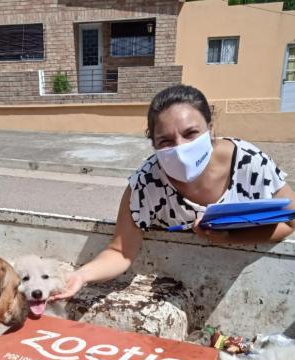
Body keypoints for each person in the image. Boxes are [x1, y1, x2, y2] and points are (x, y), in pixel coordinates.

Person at [53, 84, 295, 301]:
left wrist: (229, 237)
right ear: (154, 144)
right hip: (179, 284)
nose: (180, 147)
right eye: (166, 140)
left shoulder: (249, 163)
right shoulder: (146, 183)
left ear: (210, 129)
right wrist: (81, 276)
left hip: (250, 290)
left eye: (191, 133)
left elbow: (291, 219)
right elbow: (120, 250)